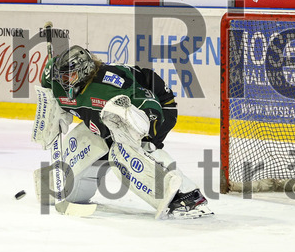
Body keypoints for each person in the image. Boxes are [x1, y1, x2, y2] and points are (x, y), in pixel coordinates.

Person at [31, 44, 212, 220]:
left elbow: (149, 103)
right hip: (111, 118)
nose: (63, 82)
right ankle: (73, 190)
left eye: (68, 77)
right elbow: (48, 75)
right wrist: (50, 106)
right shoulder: (57, 78)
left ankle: (188, 195)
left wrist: (140, 131)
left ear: (84, 71)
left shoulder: (108, 84)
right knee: (90, 141)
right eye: (61, 77)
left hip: (156, 106)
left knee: (134, 150)